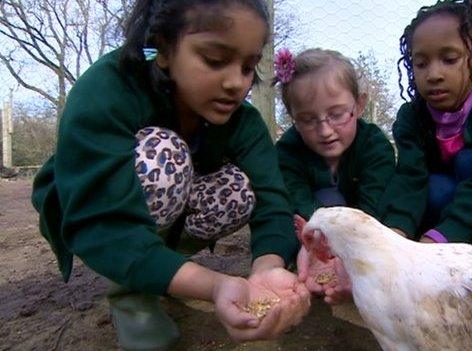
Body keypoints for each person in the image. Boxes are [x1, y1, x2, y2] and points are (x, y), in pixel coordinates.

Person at [30, 0, 310, 349]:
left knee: (238, 189)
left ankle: (164, 269)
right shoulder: (108, 89)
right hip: (91, 206)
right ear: (163, 49)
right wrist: (214, 285)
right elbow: (101, 220)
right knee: (164, 154)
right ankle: (133, 289)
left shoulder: (243, 121)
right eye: (215, 60)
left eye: (249, 66)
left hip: (157, 211)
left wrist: (267, 267)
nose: (236, 83)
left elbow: (273, 200)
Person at [380, 0, 472, 248]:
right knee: (437, 187)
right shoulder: (412, 116)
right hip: (440, 200)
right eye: (421, 64)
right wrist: (395, 234)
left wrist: (444, 236)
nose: (433, 74)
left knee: (470, 160)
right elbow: (409, 178)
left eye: (449, 59)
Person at [273, 48, 395, 304]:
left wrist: (348, 252)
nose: (325, 130)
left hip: (359, 234)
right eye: (307, 120)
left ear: (359, 105)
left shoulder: (375, 146)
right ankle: (299, 261)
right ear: (292, 117)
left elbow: (373, 206)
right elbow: (295, 200)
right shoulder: (287, 150)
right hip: (314, 234)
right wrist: (316, 247)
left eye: (337, 115)